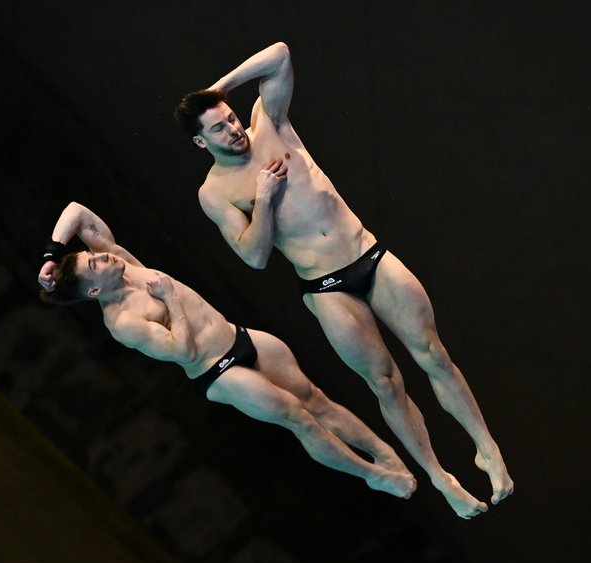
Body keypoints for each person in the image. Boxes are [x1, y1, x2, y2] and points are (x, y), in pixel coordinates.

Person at [174, 42, 513, 518]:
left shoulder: (268, 123)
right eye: (218, 128)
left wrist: (219, 88)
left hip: (367, 253)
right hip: (327, 287)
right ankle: (442, 478)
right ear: (200, 142)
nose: (232, 129)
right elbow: (253, 256)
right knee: (386, 383)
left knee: (433, 353)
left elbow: (279, 55)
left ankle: (486, 448)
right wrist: (265, 199)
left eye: (230, 118)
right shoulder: (214, 193)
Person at [37, 201, 416, 499]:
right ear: (93, 291)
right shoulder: (123, 323)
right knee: (298, 417)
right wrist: (169, 299)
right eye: (95, 262)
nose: (103, 256)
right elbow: (182, 352)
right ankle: (373, 476)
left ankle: (383, 452)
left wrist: (52, 254)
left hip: (238, 336)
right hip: (217, 372)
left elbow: (77, 211)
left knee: (316, 398)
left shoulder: (125, 264)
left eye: (95, 253)